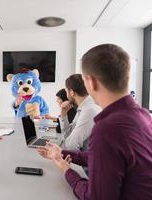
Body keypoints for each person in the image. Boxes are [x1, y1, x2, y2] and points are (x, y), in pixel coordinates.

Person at [37, 44, 152, 199]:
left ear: (90, 82)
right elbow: (103, 157)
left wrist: (66, 169)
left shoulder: (107, 128)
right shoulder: (144, 115)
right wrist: (60, 154)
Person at [58, 74, 100, 151]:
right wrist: (63, 114)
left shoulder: (89, 110)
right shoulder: (84, 107)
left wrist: (56, 151)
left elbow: (70, 146)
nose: (66, 94)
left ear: (71, 92)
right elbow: (69, 135)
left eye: (66, 91)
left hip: (87, 161)